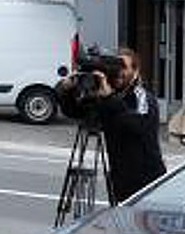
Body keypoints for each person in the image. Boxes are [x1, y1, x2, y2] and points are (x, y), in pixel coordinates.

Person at [58, 48, 167, 204]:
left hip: (147, 180)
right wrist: (67, 91)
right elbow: (75, 112)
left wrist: (109, 98)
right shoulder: (107, 96)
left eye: (124, 67)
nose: (119, 72)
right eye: (116, 67)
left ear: (135, 71)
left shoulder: (142, 96)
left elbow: (137, 126)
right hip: (120, 180)